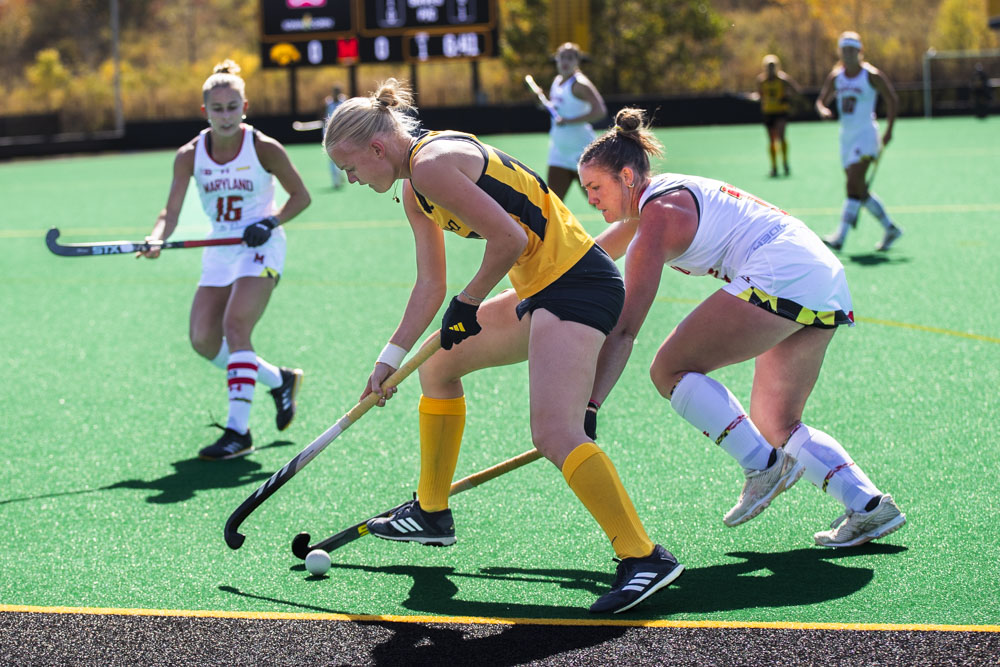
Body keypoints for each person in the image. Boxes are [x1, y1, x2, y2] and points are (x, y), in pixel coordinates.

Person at [323, 79, 682, 614]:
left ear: (377, 148)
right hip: (541, 289)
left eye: (350, 167)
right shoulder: (416, 191)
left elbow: (509, 240)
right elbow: (430, 285)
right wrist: (390, 358)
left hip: (578, 285)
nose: (351, 179)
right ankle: (431, 512)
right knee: (437, 368)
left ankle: (644, 556)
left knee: (554, 431)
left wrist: (469, 303)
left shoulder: (432, 164)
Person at [578, 107, 906, 549]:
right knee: (777, 422)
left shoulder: (658, 215)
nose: (591, 199)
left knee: (669, 370)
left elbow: (624, 330)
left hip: (783, 270)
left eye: (595, 187)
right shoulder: (657, 202)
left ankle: (763, 467)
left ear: (626, 177)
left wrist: (589, 406)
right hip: (819, 273)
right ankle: (870, 507)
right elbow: (594, 258)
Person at [140, 60, 311, 460]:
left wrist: (270, 221)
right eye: (217, 109)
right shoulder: (189, 155)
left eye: (232, 106)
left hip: (261, 245)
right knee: (202, 339)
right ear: (205, 112)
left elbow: (301, 197)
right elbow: (171, 213)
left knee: (236, 325)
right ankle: (278, 380)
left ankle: (239, 431)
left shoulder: (264, 147)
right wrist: (155, 238)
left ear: (244, 106)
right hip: (219, 246)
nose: (226, 115)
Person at [815, 31, 902, 253]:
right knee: (858, 189)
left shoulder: (871, 75)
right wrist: (823, 110)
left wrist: (890, 129)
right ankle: (890, 228)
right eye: (845, 50)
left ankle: (840, 237)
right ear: (840, 52)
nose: (849, 54)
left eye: (852, 50)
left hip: (866, 136)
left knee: (852, 182)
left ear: (860, 51)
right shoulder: (836, 77)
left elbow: (892, 99)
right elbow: (821, 100)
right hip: (846, 138)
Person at [532, 42, 607, 202]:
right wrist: (542, 102)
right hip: (559, 152)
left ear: (577, 61)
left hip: (582, 152)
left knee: (599, 202)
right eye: (562, 57)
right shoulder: (557, 81)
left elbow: (600, 110)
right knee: (552, 203)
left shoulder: (580, 84)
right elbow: (558, 109)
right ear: (557, 60)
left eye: (570, 58)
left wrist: (570, 121)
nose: (565, 61)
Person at [756, 54, 803, 177]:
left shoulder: (783, 79)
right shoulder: (761, 81)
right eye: (768, 66)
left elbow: (797, 90)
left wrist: (786, 98)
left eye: (773, 66)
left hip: (780, 112)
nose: (771, 68)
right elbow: (759, 96)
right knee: (771, 141)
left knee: (781, 137)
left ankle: (785, 163)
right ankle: (774, 167)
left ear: (777, 66)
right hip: (768, 112)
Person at [325, 85, 347, 188]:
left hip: (342, 133)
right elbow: (323, 116)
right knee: (331, 156)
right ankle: (335, 180)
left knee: (343, 155)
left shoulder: (344, 101)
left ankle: (341, 173)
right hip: (329, 133)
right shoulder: (327, 102)